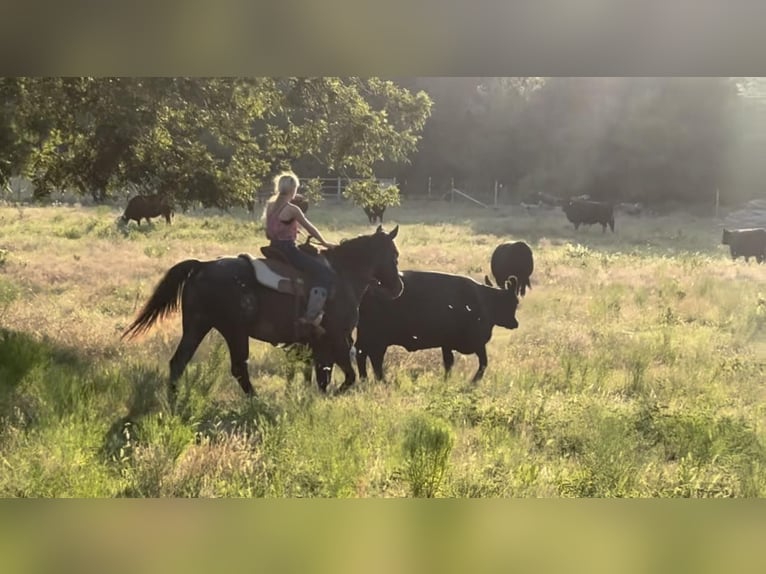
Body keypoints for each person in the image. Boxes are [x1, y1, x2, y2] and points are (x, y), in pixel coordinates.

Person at [263, 171, 336, 328]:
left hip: (273, 247)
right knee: (324, 273)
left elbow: (268, 233)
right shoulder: (292, 209)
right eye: (296, 188)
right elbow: (310, 228)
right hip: (288, 249)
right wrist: (325, 242)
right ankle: (310, 317)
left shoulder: (270, 206)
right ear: (292, 189)